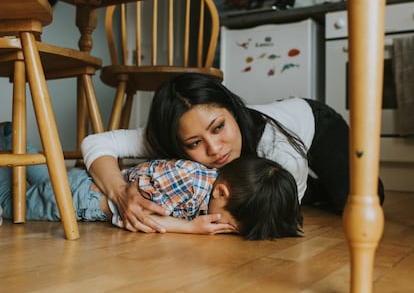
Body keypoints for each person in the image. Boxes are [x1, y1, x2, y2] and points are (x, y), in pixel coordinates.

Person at [82, 73, 385, 233]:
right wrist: (121, 192)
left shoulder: (279, 151)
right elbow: (96, 143)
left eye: (218, 127)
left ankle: (317, 185)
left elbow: (284, 215)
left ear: (233, 111)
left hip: (316, 122)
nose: (214, 149)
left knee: (361, 198)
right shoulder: (175, 130)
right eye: (193, 143)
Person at [0, 122, 302, 239]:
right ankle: (10, 148)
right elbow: (141, 217)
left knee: (49, 177)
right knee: (12, 203)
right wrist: (190, 227)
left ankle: (12, 139)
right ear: (221, 192)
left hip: (81, 184)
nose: (222, 231)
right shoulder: (189, 183)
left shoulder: (206, 181)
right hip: (83, 200)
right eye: (228, 226)